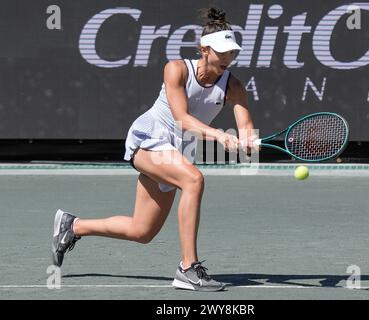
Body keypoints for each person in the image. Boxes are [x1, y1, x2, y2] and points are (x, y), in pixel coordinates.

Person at [51, 7, 258, 292]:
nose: (227, 58)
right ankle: (188, 268)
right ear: (204, 49)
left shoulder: (234, 87)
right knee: (193, 180)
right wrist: (220, 136)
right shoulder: (176, 69)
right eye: (221, 51)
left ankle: (73, 226)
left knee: (142, 231)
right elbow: (182, 119)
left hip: (178, 153)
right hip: (150, 139)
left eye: (232, 51)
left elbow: (246, 128)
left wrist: (248, 143)